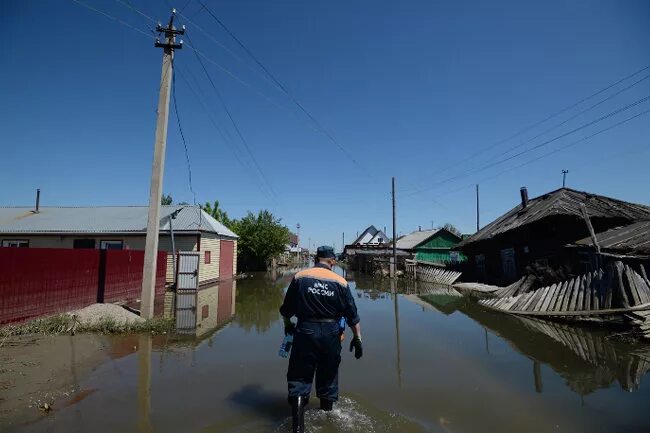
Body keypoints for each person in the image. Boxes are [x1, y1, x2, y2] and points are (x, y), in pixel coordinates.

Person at [279, 246, 363, 433]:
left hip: (305, 331)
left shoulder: (300, 277)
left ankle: (298, 428)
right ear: (332, 261)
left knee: (299, 378)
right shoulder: (341, 282)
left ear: (316, 258)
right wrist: (358, 339)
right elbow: (353, 316)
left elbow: (286, 309)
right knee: (328, 376)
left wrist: (287, 325)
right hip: (331, 334)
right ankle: (327, 418)